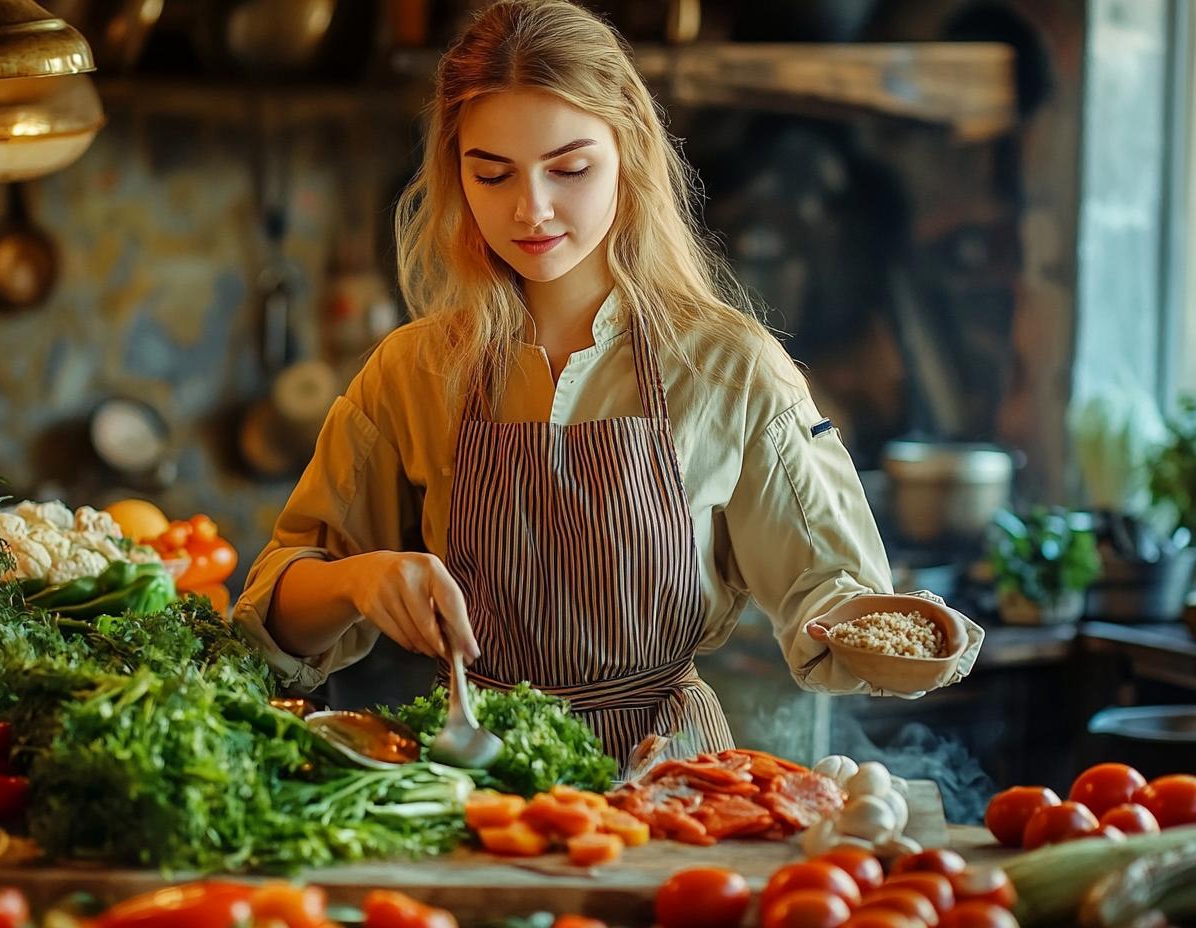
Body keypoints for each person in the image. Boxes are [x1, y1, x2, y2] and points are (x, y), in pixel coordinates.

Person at [234, 0, 983, 773]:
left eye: (570, 169)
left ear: (629, 153)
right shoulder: (412, 370)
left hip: (671, 785)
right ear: (455, 175)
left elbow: (829, 599)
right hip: (481, 779)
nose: (532, 209)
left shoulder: (728, 365)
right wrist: (360, 578)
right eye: (491, 173)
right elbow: (271, 625)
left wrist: (898, 632)